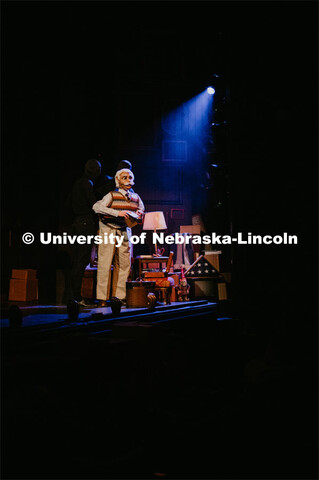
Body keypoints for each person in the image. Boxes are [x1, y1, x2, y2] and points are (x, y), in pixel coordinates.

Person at [92, 167, 144, 307]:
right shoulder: (112, 195)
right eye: (124, 178)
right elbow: (97, 207)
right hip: (108, 228)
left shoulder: (135, 197)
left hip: (124, 230)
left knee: (124, 264)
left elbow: (141, 209)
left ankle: (119, 296)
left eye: (130, 178)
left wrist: (139, 214)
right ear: (118, 180)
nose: (128, 180)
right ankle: (102, 297)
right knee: (105, 263)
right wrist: (117, 213)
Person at [68, 158, 101, 307]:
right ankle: (76, 297)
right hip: (85, 224)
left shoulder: (77, 183)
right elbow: (94, 204)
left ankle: (73, 296)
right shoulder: (87, 184)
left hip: (77, 223)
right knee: (81, 261)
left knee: (78, 261)